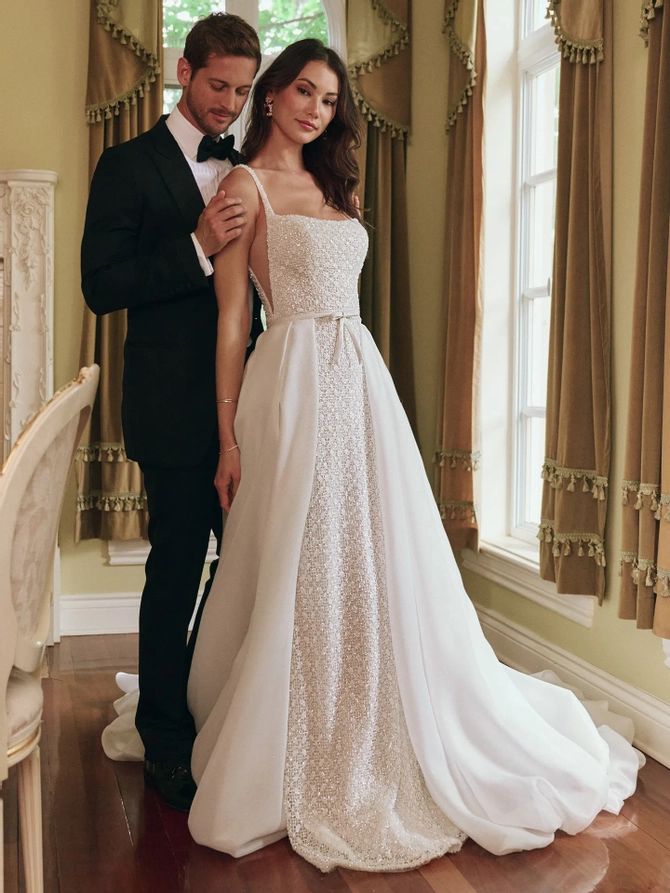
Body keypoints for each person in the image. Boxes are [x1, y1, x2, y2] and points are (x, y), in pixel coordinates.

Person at [179, 37, 643, 874]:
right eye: (305, 93)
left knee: (371, 553)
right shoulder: (241, 187)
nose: (318, 110)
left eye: (329, 99)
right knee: (298, 553)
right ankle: (302, 726)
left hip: (357, 379)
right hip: (288, 383)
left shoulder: (332, 181)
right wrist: (229, 435)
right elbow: (232, 322)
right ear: (274, 94)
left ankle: (379, 701)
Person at [81, 13, 263, 812]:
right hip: (170, 408)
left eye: (243, 91)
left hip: (260, 403)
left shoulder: (255, 166)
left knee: (255, 561)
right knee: (177, 567)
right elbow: (103, 283)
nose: (229, 104)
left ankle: (227, 705)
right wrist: (192, 243)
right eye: (219, 85)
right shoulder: (126, 165)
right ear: (184, 72)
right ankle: (166, 738)